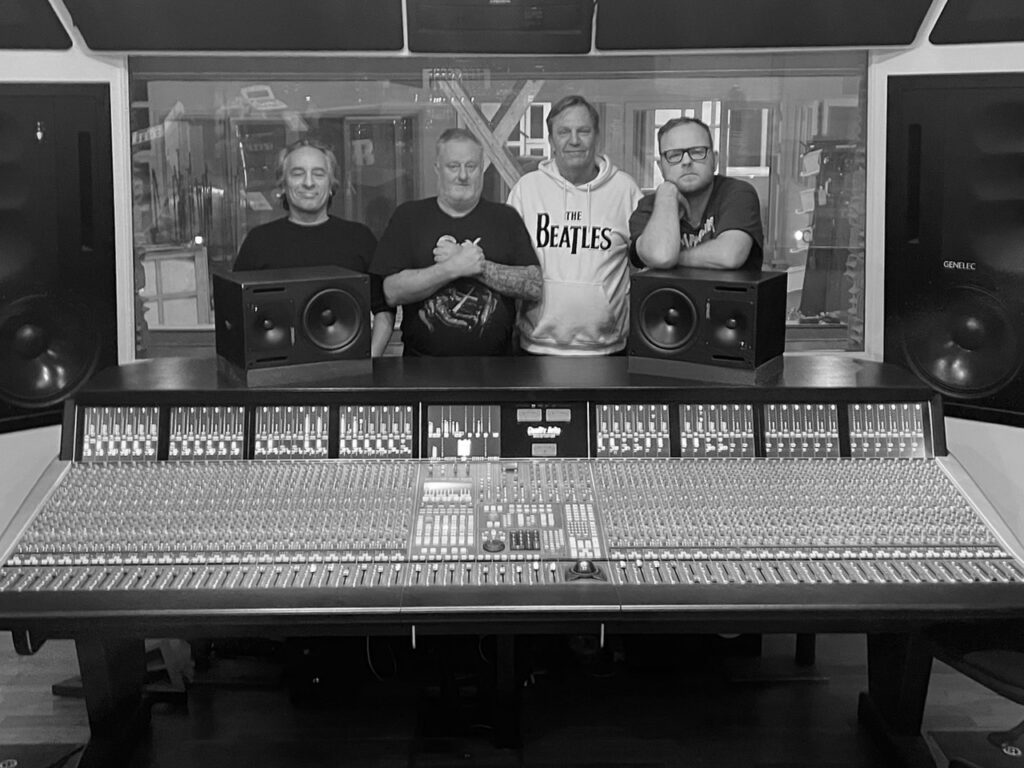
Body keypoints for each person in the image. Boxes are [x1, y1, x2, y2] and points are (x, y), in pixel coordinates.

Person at [370, 128, 541, 357]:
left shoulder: (506, 218)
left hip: (497, 369)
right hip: (422, 369)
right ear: (437, 169)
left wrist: (480, 268)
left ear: (481, 169)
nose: (463, 175)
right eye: (453, 166)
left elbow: (535, 286)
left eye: (471, 166)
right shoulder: (409, 217)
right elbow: (391, 292)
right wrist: (452, 267)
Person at [506, 95, 643, 356]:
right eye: (564, 132)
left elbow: (645, 266)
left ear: (597, 136)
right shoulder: (526, 189)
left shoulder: (625, 190)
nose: (574, 140)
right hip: (535, 348)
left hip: (607, 350)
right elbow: (510, 267)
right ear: (551, 141)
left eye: (583, 131)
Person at [233, 138, 394, 357]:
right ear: (282, 184)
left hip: (349, 373)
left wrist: (370, 361)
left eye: (318, 174)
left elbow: (384, 312)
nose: (308, 183)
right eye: (297, 173)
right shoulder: (258, 242)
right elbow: (236, 317)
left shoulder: (360, 238)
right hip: (276, 372)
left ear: (331, 185)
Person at [630, 116, 764, 271]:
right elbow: (661, 256)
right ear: (661, 167)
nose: (686, 161)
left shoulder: (737, 194)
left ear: (715, 160)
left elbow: (729, 255)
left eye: (697, 152)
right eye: (674, 155)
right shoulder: (649, 206)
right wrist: (667, 193)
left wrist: (674, 258)